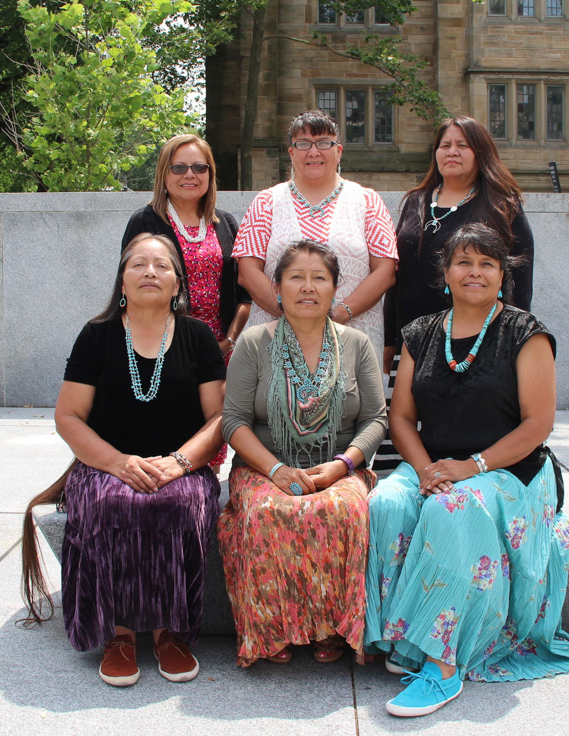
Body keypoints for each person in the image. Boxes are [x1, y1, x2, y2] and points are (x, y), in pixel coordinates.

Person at [364, 224, 569, 718]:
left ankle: (441, 665)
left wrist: (471, 467)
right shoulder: (421, 334)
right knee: (385, 502)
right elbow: (400, 418)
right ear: (445, 274)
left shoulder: (525, 332)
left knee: (452, 509)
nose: (475, 272)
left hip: (511, 471)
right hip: (435, 462)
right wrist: (425, 470)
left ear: (501, 276)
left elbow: (539, 425)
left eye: (487, 264)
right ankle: (400, 642)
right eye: (464, 262)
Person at [20, 233, 227, 687]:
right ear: (122, 281)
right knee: (112, 503)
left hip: (182, 465)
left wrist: (179, 462)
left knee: (177, 504)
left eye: (162, 266)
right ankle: (118, 635)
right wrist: (115, 462)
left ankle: (171, 633)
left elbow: (219, 419)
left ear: (178, 284)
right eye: (138, 265)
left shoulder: (198, 336)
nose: (150, 272)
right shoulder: (97, 336)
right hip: (104, 464)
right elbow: (69, 416)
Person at [219, 241, 388, 666]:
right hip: (263, 466)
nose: (307, 287)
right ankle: (272, 629)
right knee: (266, 512)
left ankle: (330, 628)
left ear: (335, 289)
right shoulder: (255, 342)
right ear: (277, 288)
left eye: (319, 278)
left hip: (340, 466)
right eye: (296, 277)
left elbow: (376, 420)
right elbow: (234, 420)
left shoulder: (356, 344)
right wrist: (274, 468)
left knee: (344, 511)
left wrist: (342, 465)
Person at [374, 115, 535, 473]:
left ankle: (463, 483)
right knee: (400, 433)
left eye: (463, 145)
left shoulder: (501, 204)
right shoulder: (416, 201)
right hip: (415, 343)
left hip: (475, 342)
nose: (452, 152)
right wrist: (391, 339)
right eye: (445, 144)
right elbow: (398, 275)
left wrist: (512, 341)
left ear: (480, 153)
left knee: (461, 425)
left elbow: (519, 281)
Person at [121, 134, 250, 470]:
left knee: (212, 429)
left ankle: (200, 494)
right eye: (179, 167)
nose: (189, 174)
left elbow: (243, 295)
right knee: (166, 421)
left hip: (219, 348)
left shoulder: (226, 223)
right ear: (164, 173)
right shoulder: (145, 221)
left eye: (199, 167)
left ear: (210, 174)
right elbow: (131, 284)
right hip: (162, 343)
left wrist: (228, 341)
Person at [232, 109, 398, 361]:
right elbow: (247, 271)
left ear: (338, 151)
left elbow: (386, 270)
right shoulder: (267, 202)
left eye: (323, 143)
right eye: (303, 144)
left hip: (352, 335)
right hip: (277, 336)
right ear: (291, 152)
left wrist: (341, 314)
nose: (313, 151)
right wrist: (292, 314)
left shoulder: (367, 201)